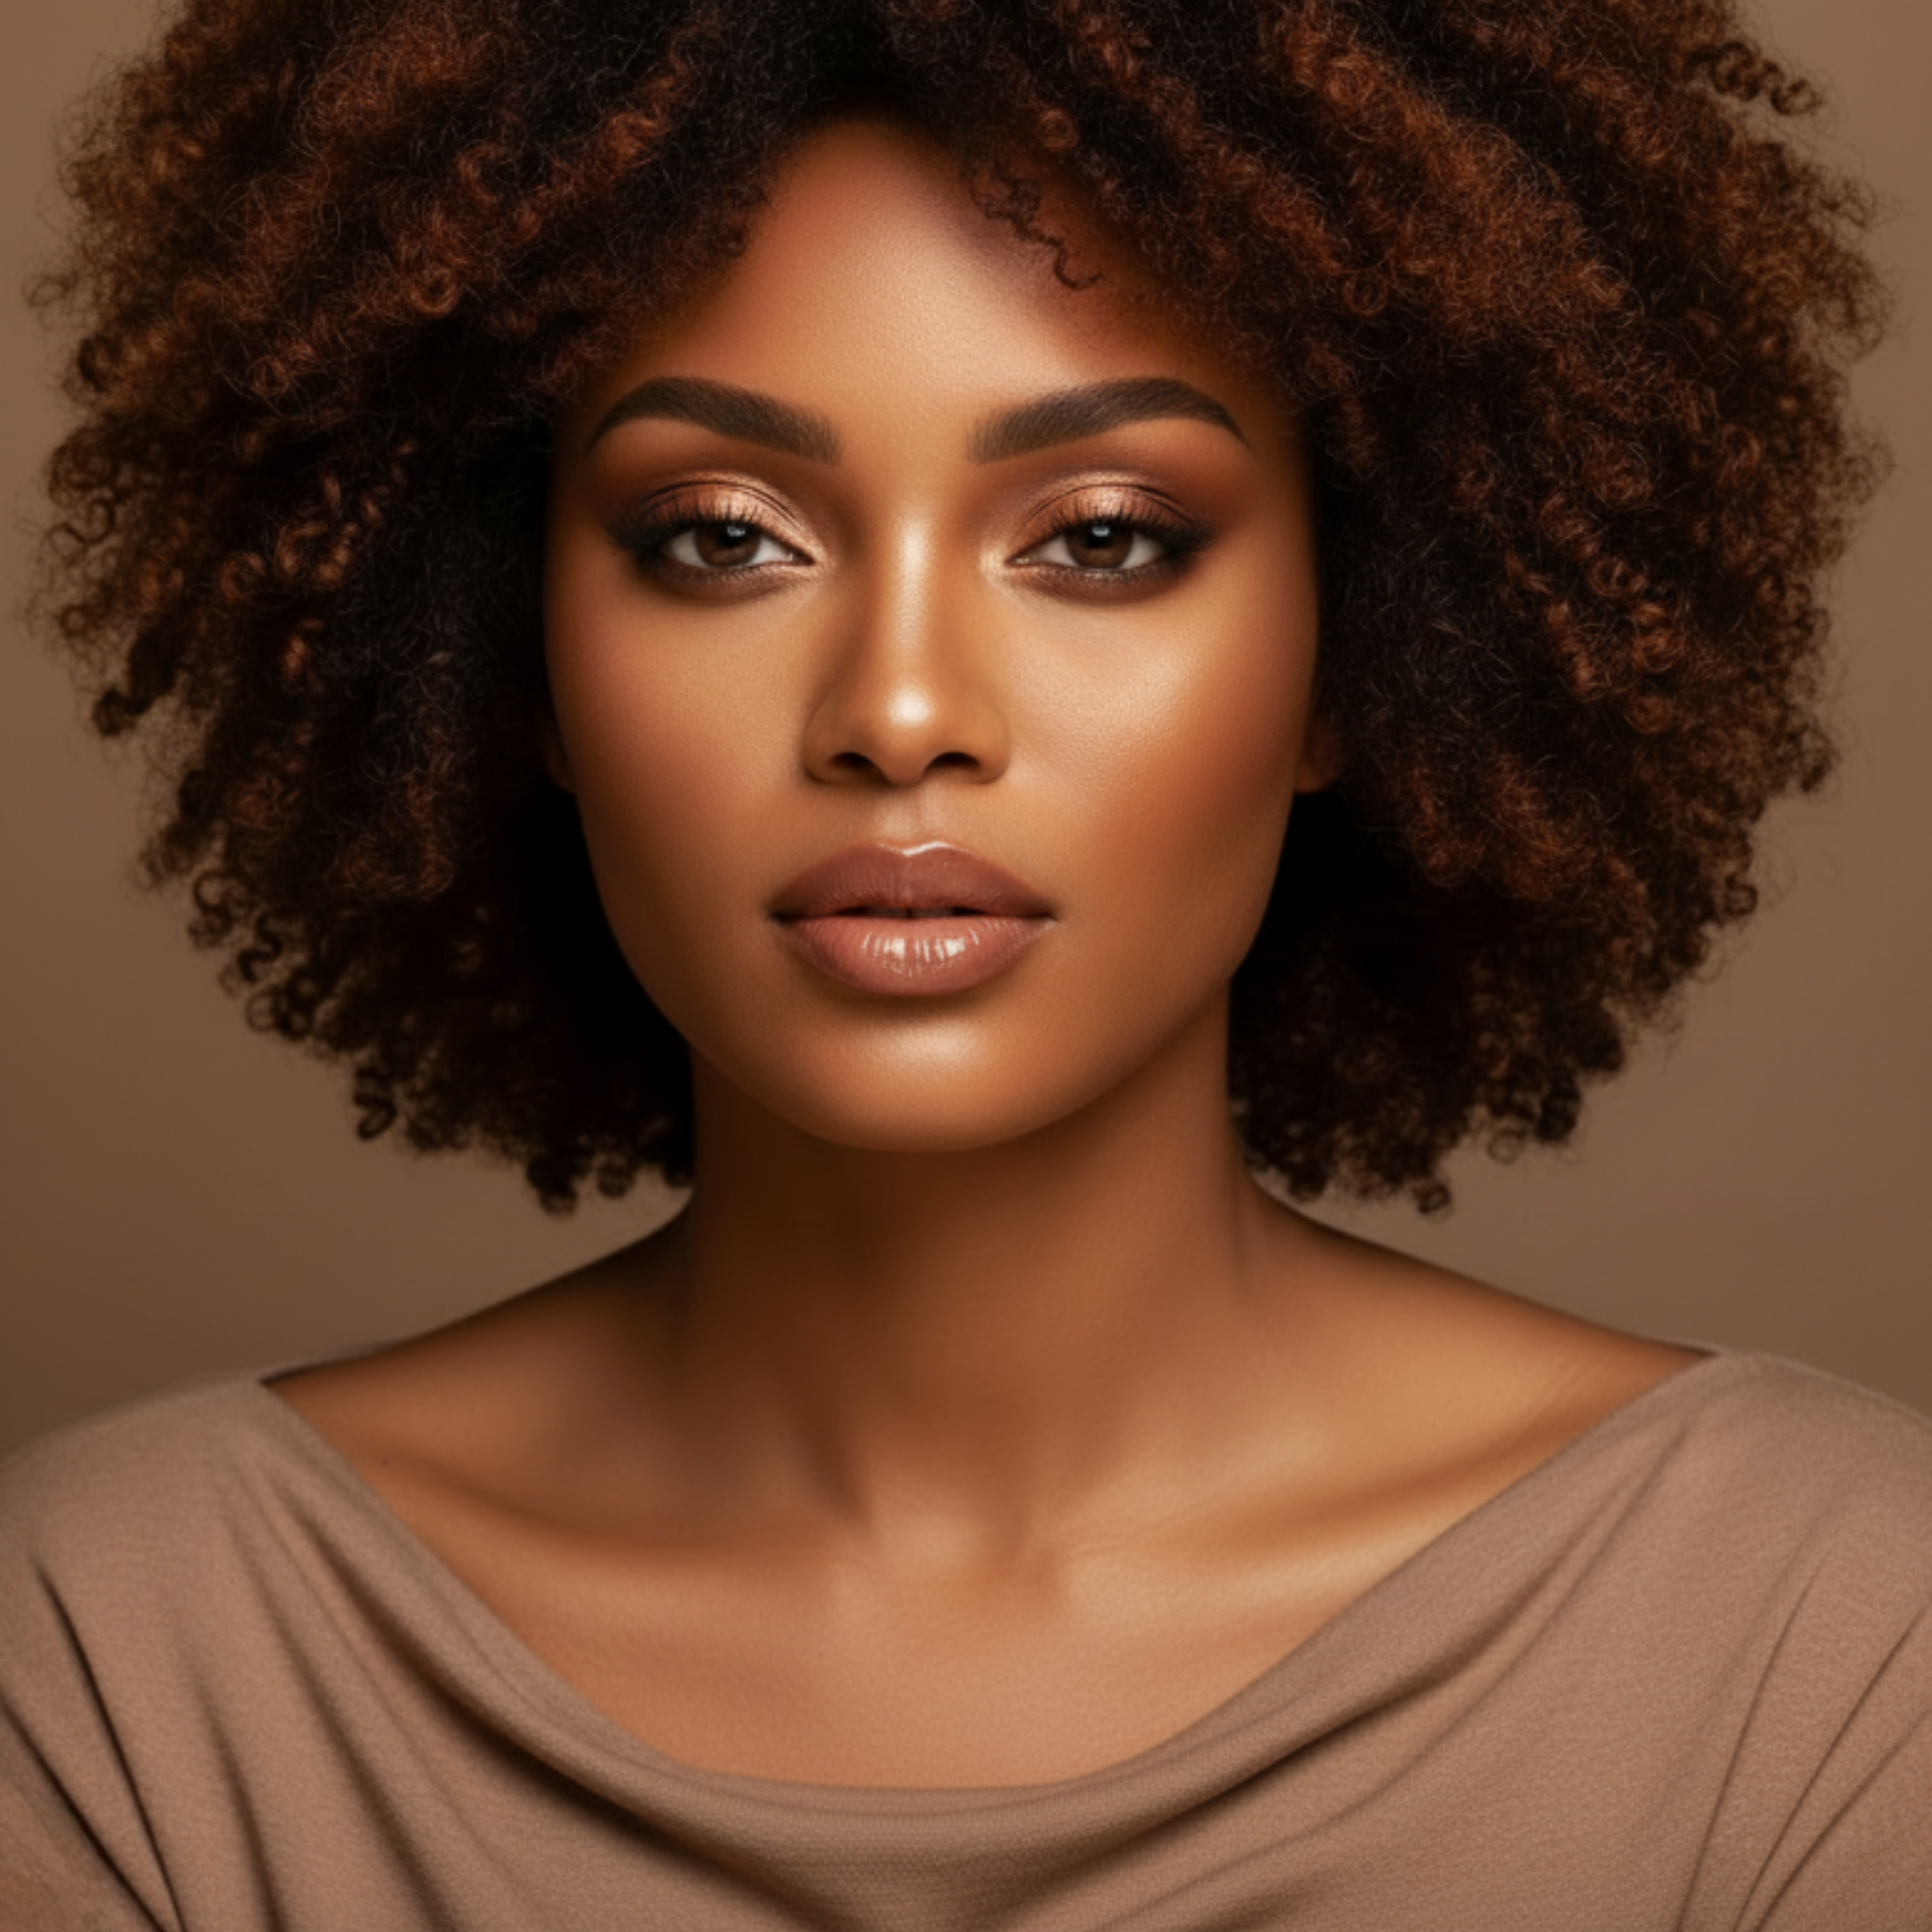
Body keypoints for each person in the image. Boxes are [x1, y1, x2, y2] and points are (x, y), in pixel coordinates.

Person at [3, 0, 1926, 1925]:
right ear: (516, 663)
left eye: (1100, 539)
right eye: (718, 539)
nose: (899, 710)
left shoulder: (1815, 1640)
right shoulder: (133, 1659)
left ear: (1363, 653)